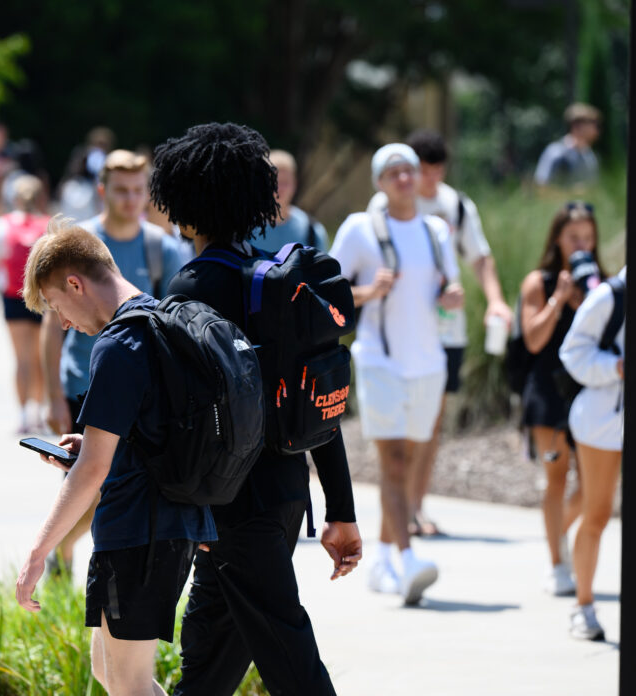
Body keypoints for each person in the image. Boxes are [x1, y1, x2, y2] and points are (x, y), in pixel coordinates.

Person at [153, 122, 362, 696]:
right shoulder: (279, 282)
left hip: (230, 505)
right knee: (208, 661)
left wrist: (180, 505)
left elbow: (178, 418)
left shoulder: (189, 291)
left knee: (289, 658)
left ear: (186, 207)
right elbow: (317, 402)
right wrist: (339, 509)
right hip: (283, 493)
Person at [14, 218, 215, 696]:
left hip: (140, 533)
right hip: (149, 527)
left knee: (128, 685)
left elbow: (94, 470)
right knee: (111, 674)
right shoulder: (158, 320)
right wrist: (93, 447)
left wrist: (39, 553)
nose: (62, 322)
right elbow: (146, 434)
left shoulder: (118, 344)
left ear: (75, 284)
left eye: (56, 305)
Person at [41, 149, 187, 578]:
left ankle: (67, 554)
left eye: (138, 190)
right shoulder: (78, 246)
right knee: (88, 482)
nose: (130, 199)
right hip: (81, 382)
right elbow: (54, 329)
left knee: (110, 486)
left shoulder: (162, 248)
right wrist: (51, 395)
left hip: (136, 390)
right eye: (121, 190)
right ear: (103, 191)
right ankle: (68, 556)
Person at [331, 142, 462, 603]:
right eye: (394, 172)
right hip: (379, 359)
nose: (404, 179)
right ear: (379, 182)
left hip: (427, 362)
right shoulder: (359, 229)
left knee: (406, 465)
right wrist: (367, 292)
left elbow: (450, 284)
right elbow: (328, 295)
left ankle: (384, 558)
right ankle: (409, 558)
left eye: (409, 170)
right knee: (394, 463)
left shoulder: (436, 231)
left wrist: (453, 296)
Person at [368, 129, 512, 537]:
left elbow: (480, 259)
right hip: (396, 333)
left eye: (434, 170)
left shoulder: (455, 206)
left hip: (445, 332)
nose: (424, 179)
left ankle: (415, 506)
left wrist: (496, 301)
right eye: (420, 169)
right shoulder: (382, 206)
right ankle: (396, 514)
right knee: (397, 427)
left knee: (430, 423)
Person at [519, 202, 605, 595]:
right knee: (556, 478)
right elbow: (533, 339)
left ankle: (559, 540)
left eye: (588, 237)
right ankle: (557, 563)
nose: (582, 245)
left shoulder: (600, 284)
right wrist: (559, 300)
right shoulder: (540, 282)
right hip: (548, 393)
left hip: (589, 392)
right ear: (558, 238)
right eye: (574, 237)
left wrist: (588, 302)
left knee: (592, 487)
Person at [558, 265, 626, 641]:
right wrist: (617, 367)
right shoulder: (610, 294)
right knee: (597, 513)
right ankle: (582, 606)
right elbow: (573, 351)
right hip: (602, 420)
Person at [0, 175, 49, 434]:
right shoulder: (49, 225)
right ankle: (38, 413)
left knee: (21, 359)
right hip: (43, 299)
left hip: (13, 296)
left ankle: (22, 416)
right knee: (40, 358)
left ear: (15, 198)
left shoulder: (2, 225)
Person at [251, 149, 328, 252]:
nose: (279, 189)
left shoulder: (312, 232)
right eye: (273, 181)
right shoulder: (245, 230)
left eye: (285, 182)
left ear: (295, 184)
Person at [534, 103, 602, 189]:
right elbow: (541, 188)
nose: (597, 130)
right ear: (577, 126)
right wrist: (573, 193)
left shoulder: (590, 156)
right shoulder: (556, 152)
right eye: (594, 124)